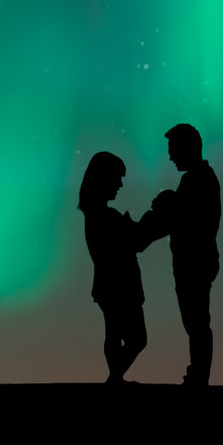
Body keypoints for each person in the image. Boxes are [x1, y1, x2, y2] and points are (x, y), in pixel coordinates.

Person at [146, 123, 221, 387]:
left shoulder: (197, 179)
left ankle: (199, 376)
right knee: (195, 320)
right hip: (196, 260)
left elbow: (182, 218)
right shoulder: (196, 178)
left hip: (195, 261)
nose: (170, 156)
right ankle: (198, 373)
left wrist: (165, 206)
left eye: (173, 150)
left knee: (197, 321)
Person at [77, 151, 155, 384]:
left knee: (114, 333)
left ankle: (115, 378)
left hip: (107, 284)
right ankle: (115, 378)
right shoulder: (105, 216)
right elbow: (136, 241)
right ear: (104, 178)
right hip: (119, 284)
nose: (120, 184)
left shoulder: (96, 214)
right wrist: (150, 223)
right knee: (136, 338)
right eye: (117, 178)